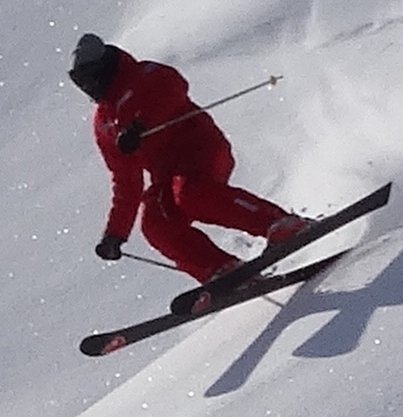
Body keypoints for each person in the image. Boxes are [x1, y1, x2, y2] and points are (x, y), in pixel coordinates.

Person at [69, 34, 304, 294]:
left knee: (191, 194)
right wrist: (115, 234)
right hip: (165, 175)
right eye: (79, 80)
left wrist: (141, 124)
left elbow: (174, 86)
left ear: (104, 66)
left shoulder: (141, 74)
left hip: (200, 149)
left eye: (89, 76)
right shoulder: (104, 122)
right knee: (156, 224)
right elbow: (126, 179)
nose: (87, 86)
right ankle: (220, 270)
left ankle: (281, 224)